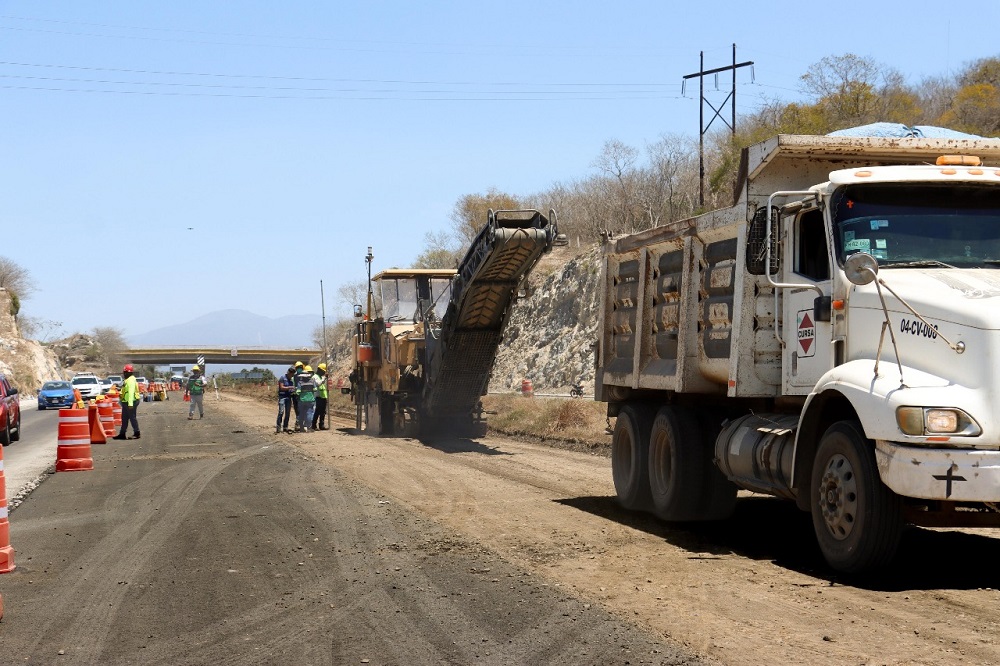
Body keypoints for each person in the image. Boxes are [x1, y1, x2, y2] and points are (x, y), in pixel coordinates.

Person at [113, 364, 141, 440]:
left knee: (132, 417)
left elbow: (131, 392)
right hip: (126, 402)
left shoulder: (131, 380)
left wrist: (130, 403)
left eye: (125, 372)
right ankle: (122, 433)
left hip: (131, 401)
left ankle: (137, 433)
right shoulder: (128, 380)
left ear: (128, 373)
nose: (124, 374)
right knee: (124, 418)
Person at [295, 364, 317, 432]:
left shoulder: (300, 382)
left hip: (302, 400)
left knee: (301, 413)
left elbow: (298, 392)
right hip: (310, 399)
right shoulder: (312, 381)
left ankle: (301, 427)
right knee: (309, 413)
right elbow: (315, 389)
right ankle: (308, 427)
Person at [276, 366, 296, 434]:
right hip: (282, 397)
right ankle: (278, 427)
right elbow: (281, 387)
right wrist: (289, 387)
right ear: (289, 372)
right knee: (281, 412)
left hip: (288, 397)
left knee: (287, 413)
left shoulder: (292, 380)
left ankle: (285, 427)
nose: (292, 375)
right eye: (291, 374)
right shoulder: (282, 378)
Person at [311, 362, 329, 431]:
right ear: (320, 370)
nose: (323, 373)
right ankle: (314, 425)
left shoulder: (320, 377)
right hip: (318, 397)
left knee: (323, 412)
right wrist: (324, 377)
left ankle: (321, 425)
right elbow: (318, 383)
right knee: (317, 411)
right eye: (323, 371)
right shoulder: (315, 377)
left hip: (323, 397)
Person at [291, 360, 304, 429]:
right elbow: (292, 385)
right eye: (298, 367)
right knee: (297, 409)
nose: (299, 368)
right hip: (295, 395)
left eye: (300, 367)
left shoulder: (305, 376)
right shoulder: (294, 377)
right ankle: (298, 422)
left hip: (303, 395)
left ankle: (299, 423)